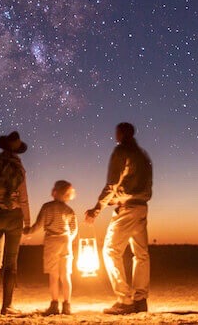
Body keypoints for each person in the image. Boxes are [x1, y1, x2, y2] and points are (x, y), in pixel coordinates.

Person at [84, 122, 153, 315]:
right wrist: (119, 198)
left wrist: (97, 208)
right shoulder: (143, 155)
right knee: (141, 254)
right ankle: (140, 299)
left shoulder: (121, 152)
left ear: (121, 133)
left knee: (110, 251)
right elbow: (137, 185)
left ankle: (125, 299)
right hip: (141, 207)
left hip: (127, 209)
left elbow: (112, 184)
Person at [0, 131, 31, 316]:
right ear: (16, 151)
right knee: (11, 263)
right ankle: (7, 306)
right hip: (13, 215)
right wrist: (27, 221)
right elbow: (23, 198)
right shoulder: (19, 169)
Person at [25, 180, 78, 315]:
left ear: (55, 192)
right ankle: (67, 306)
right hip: (66, 241)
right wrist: (68, 239)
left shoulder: (47, 207)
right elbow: (74, 229)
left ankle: (54, 305)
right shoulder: (69, 210)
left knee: (54, 276)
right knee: (66, 275)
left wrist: (28, 231)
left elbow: (39, 225)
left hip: (52, 241)